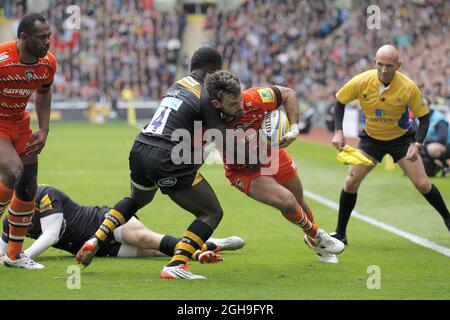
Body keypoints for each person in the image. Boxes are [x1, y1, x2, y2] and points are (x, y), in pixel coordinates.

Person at [76, 47, 244, 279]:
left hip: (141, 147)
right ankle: (176, 265)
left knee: (137, 199)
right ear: (214, 70)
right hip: (167, 156)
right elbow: (224, 140)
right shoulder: (206, 94)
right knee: (211, 212)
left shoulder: (178, 85)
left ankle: (96, 238)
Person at [204, 70, 345, 263]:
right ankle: (318, 235)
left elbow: (288, 94)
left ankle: (315, 243)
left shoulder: (253, 98)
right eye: (233, 104)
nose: (240, 107)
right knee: (287, 202)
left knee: (299, 200)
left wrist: (294, 128)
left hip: (272, 154)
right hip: (243, 170)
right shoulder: (209, 119)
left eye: (239, 100)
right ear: (216, 104)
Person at [331, 45, 450, 244]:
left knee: (422, 184)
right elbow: (339, 102)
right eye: (380, 65)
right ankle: (340, 234)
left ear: (398, 65)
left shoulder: (408, 87)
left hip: (401, 141)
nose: (384, 70)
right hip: (371, 140)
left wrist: (418, 144)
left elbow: (424, 118)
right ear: (374, 63)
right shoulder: (362, 81)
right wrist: (338, 131)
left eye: (389, 66)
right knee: (351, 182)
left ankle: (447, 218)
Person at [0, 185, 245, 262]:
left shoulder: (45, 194)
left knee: (145, 238)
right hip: (97, 251)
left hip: (102, 222)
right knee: (156, 252)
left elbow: (52, 235)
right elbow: (3, 250)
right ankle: (209, 245)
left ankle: (210, 243)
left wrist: (23, 256)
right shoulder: (11, 219)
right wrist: (8, 255)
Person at [0, 13, 56, 269]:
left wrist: (43, 130)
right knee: (13, 171)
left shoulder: (47, 64)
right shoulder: (2, 59)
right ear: (24, 38)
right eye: (42, 37)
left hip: (20, 124)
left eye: (49, 36)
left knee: (27, 187)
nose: (48, 42)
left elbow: (44, 93)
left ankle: (13, 255)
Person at [421, 108, 449, 177]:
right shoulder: (425, 118)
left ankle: (444, 165)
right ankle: (436, 167)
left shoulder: (439, 119)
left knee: (430, 148)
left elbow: (442, 138)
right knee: (419, 148)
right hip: (434, 144)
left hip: (447, 145)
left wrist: (427, 141)